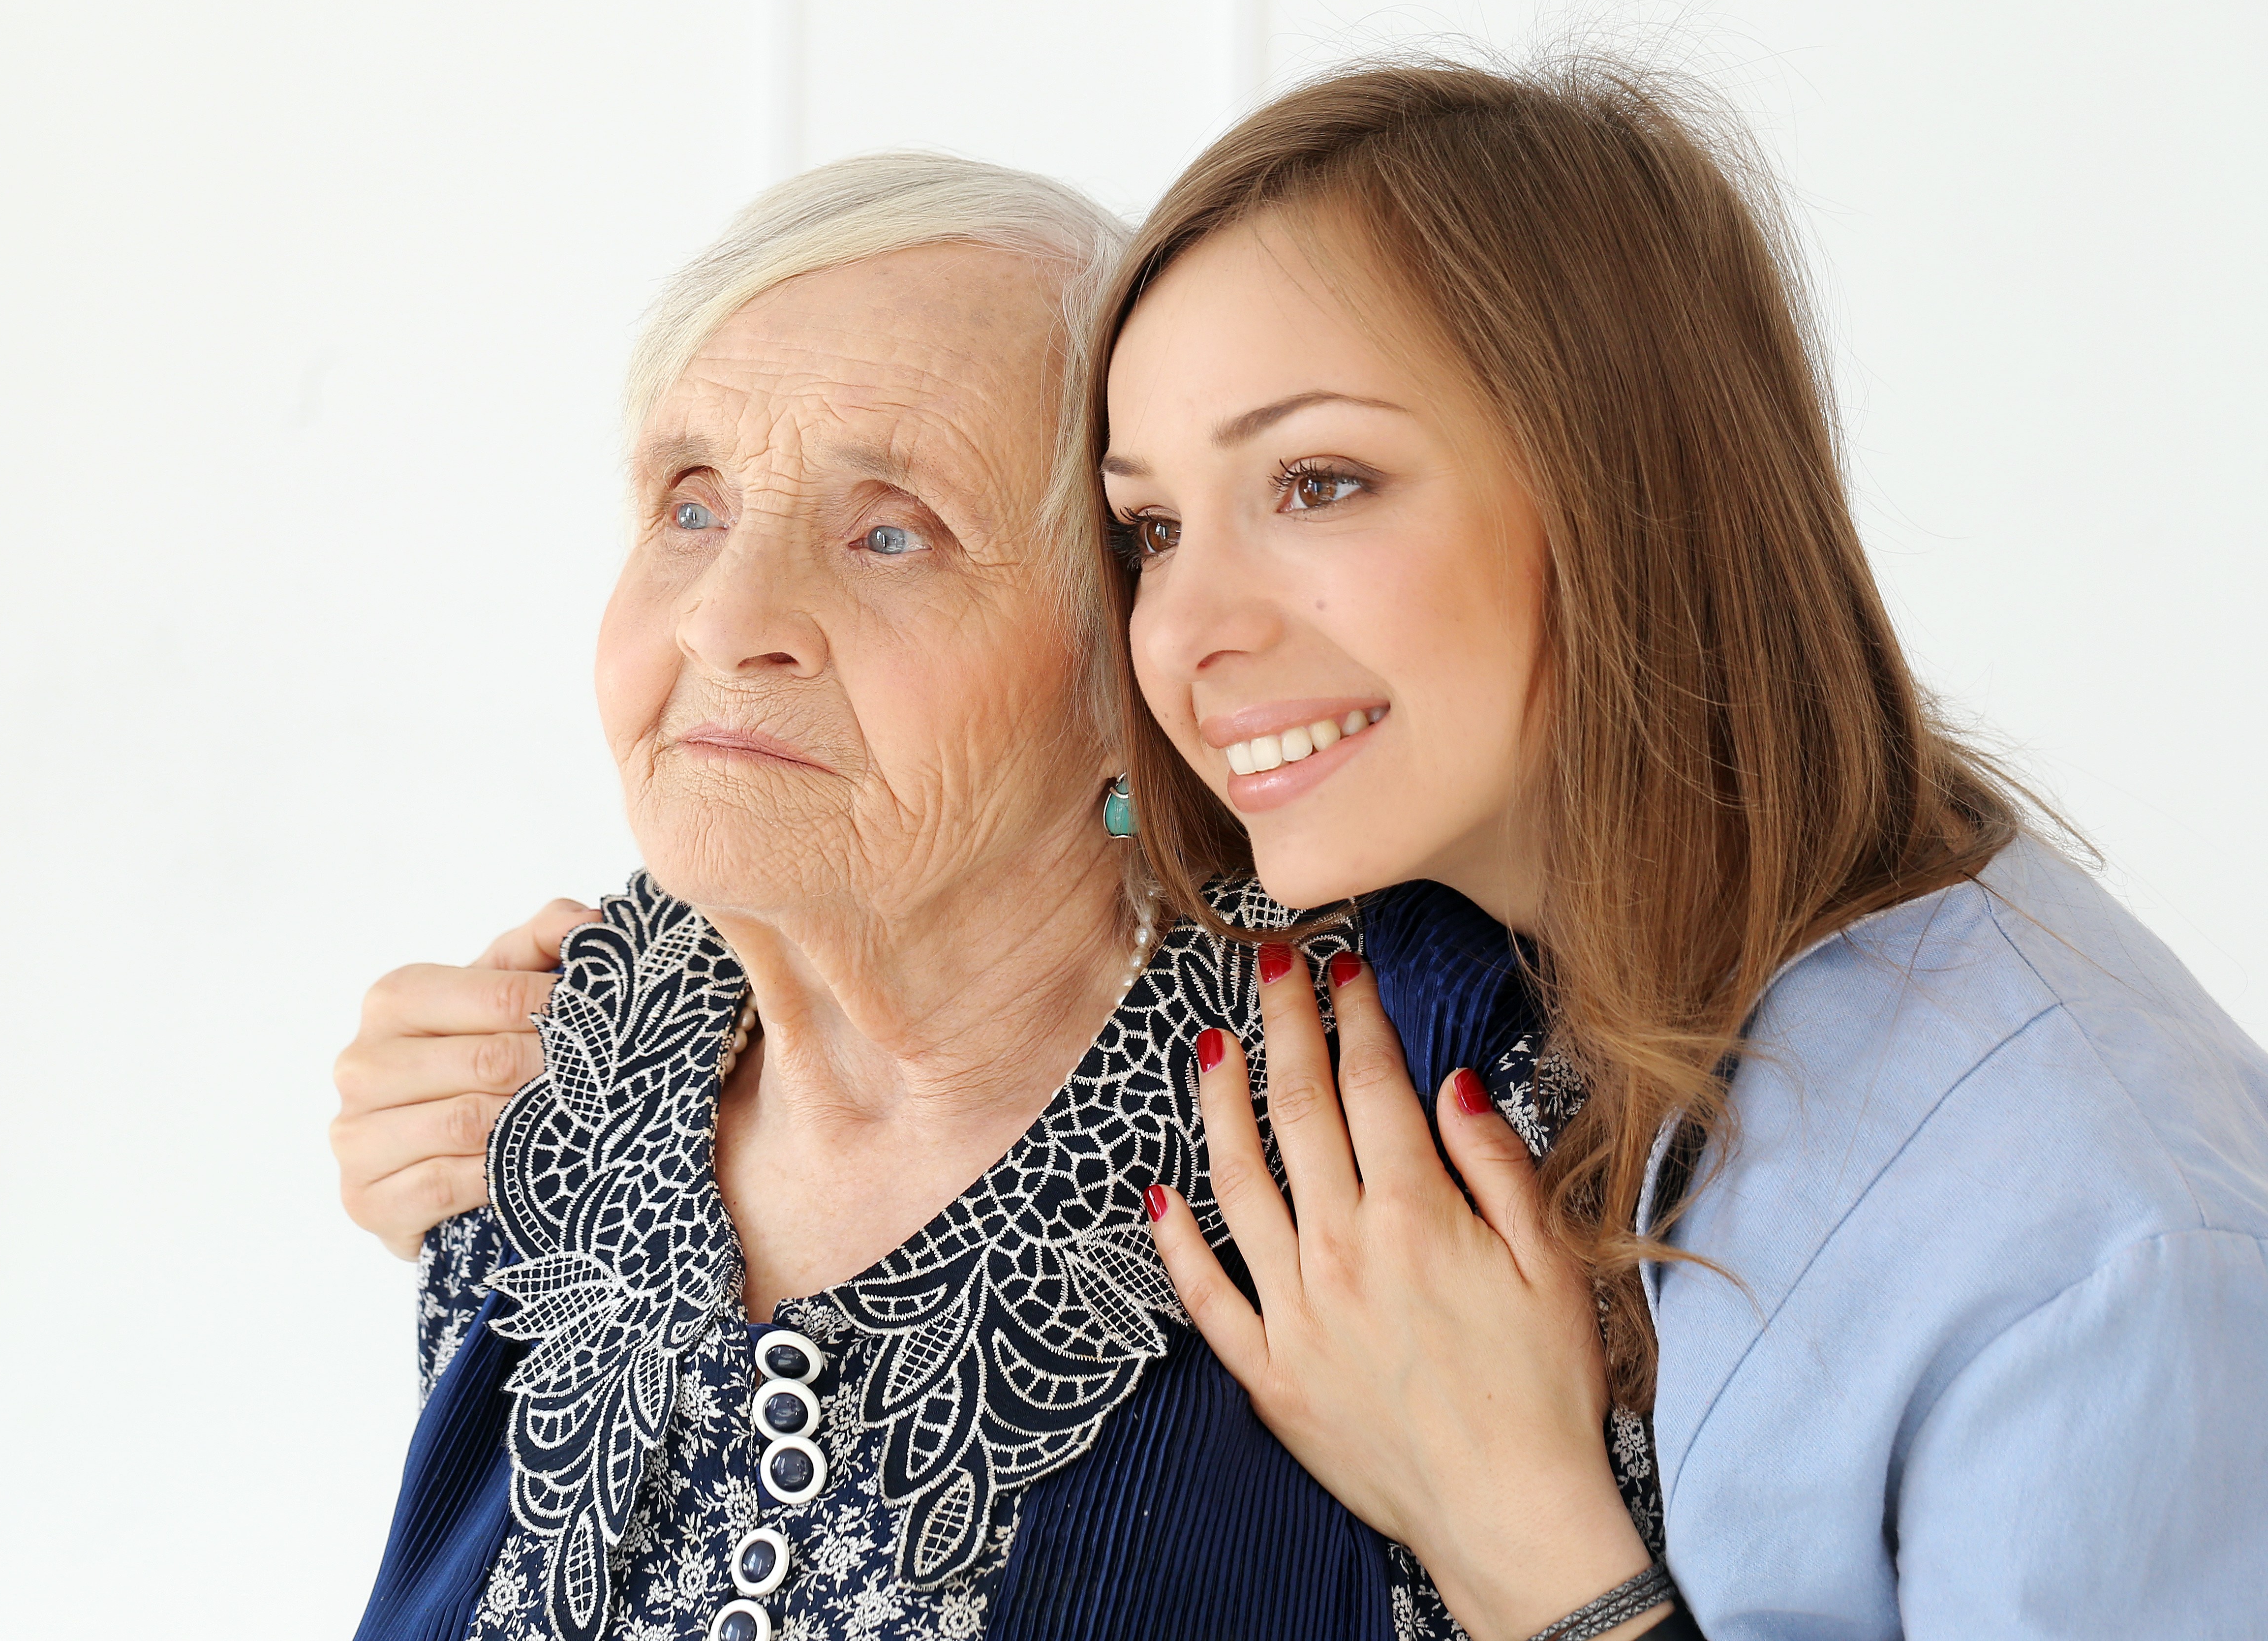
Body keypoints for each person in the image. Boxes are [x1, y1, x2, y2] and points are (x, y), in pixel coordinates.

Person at [339, 154, 1676, 1641]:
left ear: (1126, 667)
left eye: (892, 532)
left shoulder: (1440, 1097)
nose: (726, 620)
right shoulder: (559, 1059)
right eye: (691, 507)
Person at [1098, 58, 2268, 1635]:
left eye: (1320, 483)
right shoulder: (1544, 984)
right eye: (1153, 528)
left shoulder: (2092, 1245)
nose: (1186, 632)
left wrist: (1513, 1530)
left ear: (1624, 488)